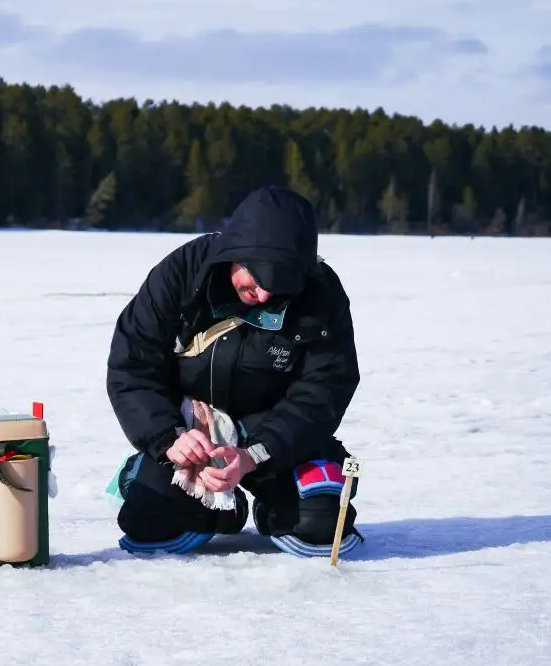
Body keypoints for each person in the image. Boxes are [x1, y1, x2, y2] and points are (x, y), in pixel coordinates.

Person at [105, 185, 364, 558]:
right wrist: (167, 439)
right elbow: (133, 365)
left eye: (277, 289)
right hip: (193, 427)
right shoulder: (182, 274)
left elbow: (325, 387)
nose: (262, 296)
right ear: (234, 255)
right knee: (150, 522)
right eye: (256, 282)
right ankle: (218, 510)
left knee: (320, 523)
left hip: (274, 430)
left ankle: (269, 504)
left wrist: (257, 454)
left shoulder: (321, 292)